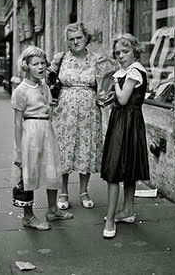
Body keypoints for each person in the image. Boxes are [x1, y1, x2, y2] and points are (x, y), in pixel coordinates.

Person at [49, 22, 117, 210]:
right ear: (67, 42)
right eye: (71, 39)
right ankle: (63, 192)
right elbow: (48, 80)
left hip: (89, 112)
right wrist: (50, 98)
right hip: (64, 112)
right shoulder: (60, 58)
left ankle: (84, 191)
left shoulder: (98, 60)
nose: (76, 41)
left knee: (85, 150)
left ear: (86, 38)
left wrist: (106, 96)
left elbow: (106, 85)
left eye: (79, 37)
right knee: (64, 150)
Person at [11, 46, 74, 231]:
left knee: (53, 169)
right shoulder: (21, 90)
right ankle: (28, 216)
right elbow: (17, 123)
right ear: (26, 66)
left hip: (47, 130)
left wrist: (49, 104)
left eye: (43, 63)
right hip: (30, 133)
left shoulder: (44, 86)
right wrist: (18, 151)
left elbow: (45, 108)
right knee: (28, 172)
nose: (40, 67)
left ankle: (53, 210)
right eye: (35, 64)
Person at [101, 33, 150, 239]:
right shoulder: (126, 71)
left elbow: (122, 99)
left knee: (114, 171)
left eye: (125, 51)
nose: (121, 56)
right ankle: (128, 211)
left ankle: (111, 219)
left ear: (135, 51)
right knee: (128, 168)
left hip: (127, 124)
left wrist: (115, 81)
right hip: (125, 122)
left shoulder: (135, 71)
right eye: (118, 52)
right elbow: (118, 99)